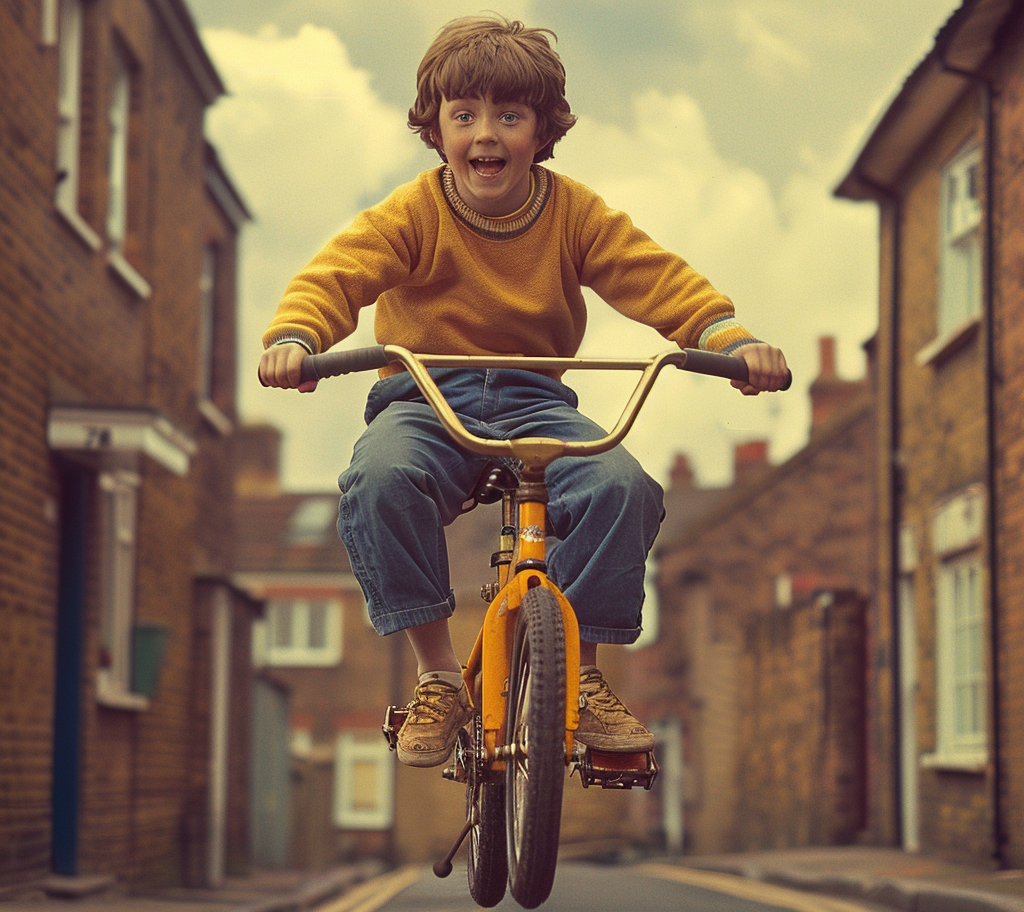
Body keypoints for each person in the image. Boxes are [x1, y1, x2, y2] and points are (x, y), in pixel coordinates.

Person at [259, 15, 789, 769]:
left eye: (509, 116)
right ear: (436, 128)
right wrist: (296, 338)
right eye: (464, 115)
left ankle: (581, 680)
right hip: (425, 399)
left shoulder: (572, 212)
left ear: (541, 131)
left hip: (533, 401)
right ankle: (440, 675)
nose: (486, 134)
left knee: (623, 487)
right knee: (378, 479)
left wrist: (729, 340)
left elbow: (654, 276)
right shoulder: (416, 210)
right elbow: (336, 274)